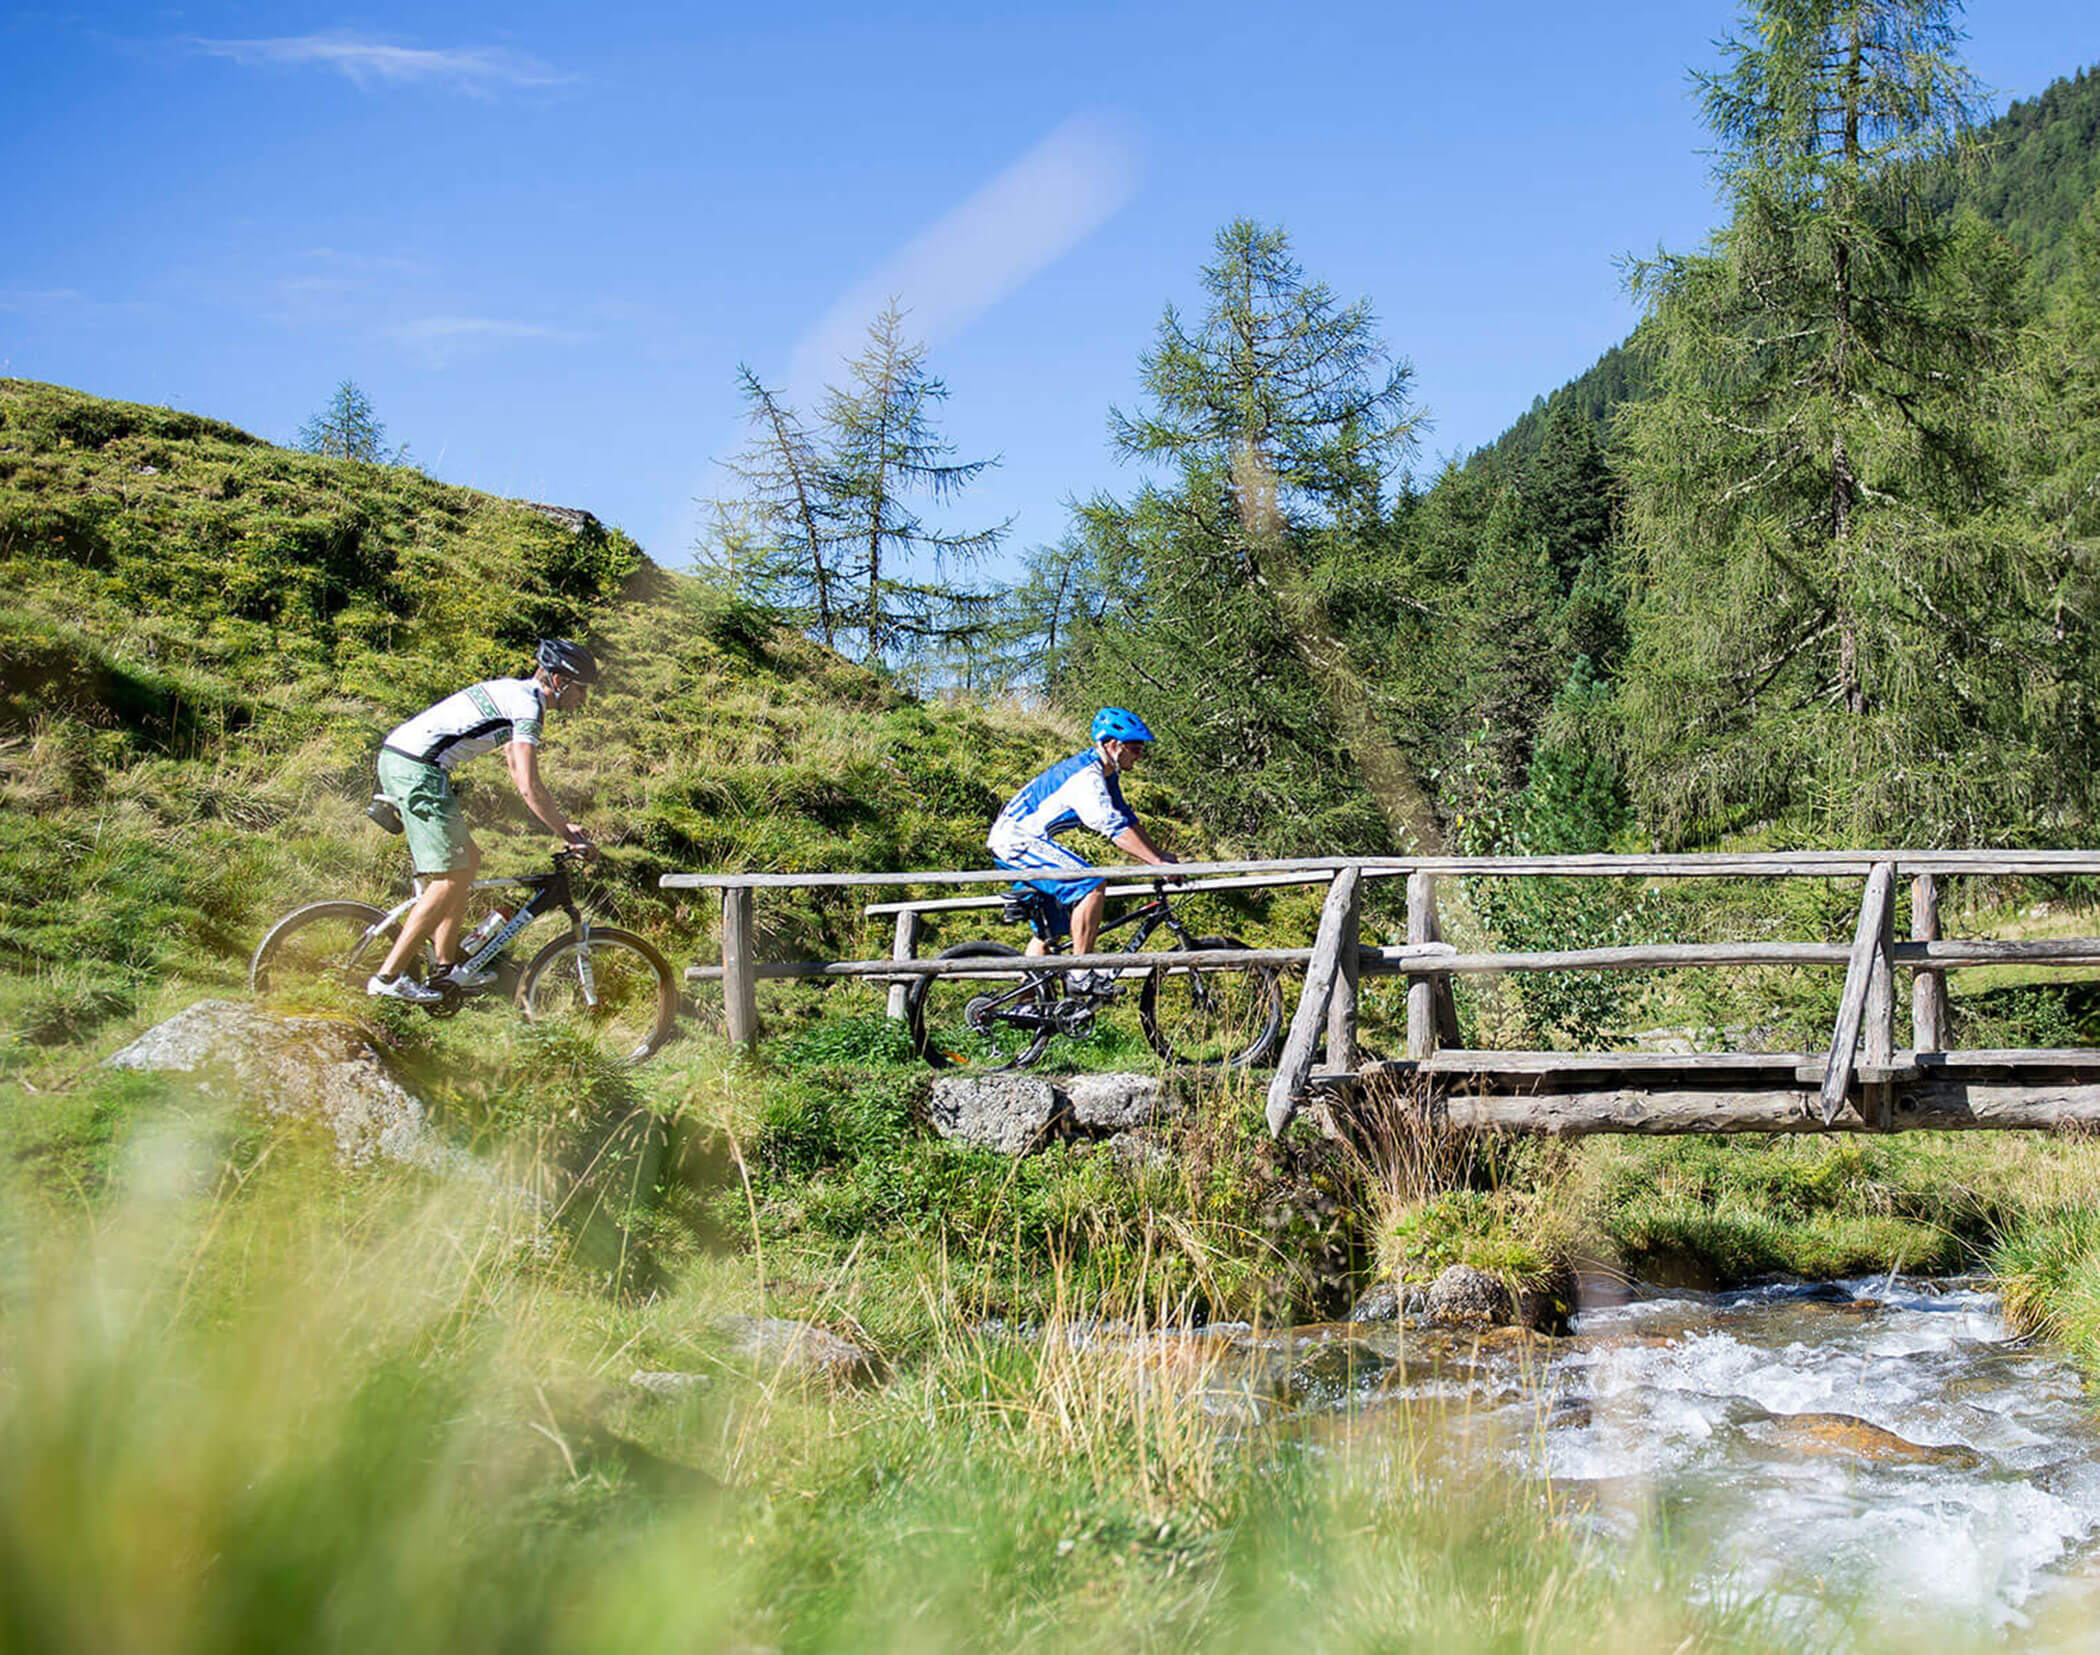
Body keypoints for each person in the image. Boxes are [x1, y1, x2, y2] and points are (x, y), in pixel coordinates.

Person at [364, 638, 599, 1002]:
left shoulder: (516, 694)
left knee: (467, 862)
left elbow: (512, 762)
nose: (583, 700)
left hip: (412, 763)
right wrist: (566, 831)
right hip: (417, 768)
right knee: (448, 877)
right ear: (559, 680)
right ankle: (388, 977)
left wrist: (558, 823)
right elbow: (528, 783)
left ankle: (446, 968)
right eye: (581, 690)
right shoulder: (527, 706)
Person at [987, 707, 1179, 996]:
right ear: (1112, 745)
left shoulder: (1105, 774)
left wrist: (1159, 855)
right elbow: (1112, 827)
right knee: (1091, 883)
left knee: (1049, 932)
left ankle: (1022, 1004)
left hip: (1020, 838)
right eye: (1136, 748)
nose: (1140, 755)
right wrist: (1155, 864)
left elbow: (1127, 818)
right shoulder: (1086, 779)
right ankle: (1081, 973)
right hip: (1016, 841)